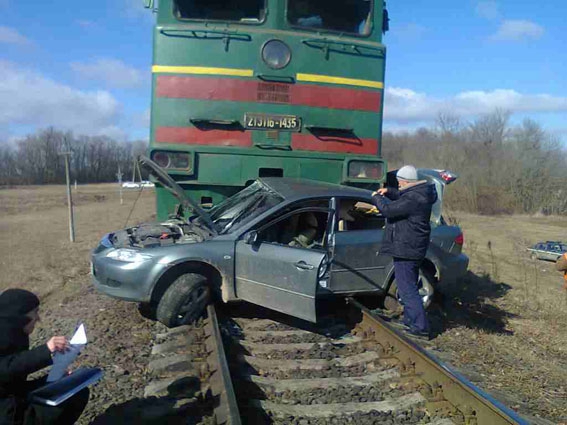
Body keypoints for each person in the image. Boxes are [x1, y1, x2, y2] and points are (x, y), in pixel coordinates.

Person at [0, 289, 89, 425]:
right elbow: (5, 369)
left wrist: (50, 380)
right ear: (20, 317)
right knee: (73, 398)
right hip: (8, 415)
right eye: (35, 312)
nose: (38, 318)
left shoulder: (14, 333)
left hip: (12, 399)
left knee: (73, 388)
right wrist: (46, 350)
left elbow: (12, 382)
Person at [371, 165, 438, 341]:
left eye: (400, 184)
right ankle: (410, 321)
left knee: (407, 289)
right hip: (412, 247)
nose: (399, 186)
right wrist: (390, 191)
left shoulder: (415, 198)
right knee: (409, 286)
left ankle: (420, 327)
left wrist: (377, 197)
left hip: (407, 248)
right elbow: (403, 196)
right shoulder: (420, 192)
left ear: (407, 182)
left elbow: (388, 210)